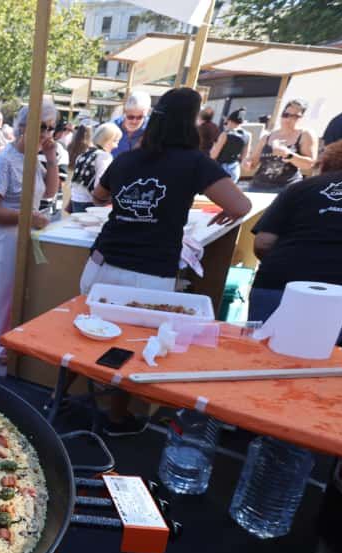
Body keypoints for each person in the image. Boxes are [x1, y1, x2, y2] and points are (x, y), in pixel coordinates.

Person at [80, 87, 251, 434]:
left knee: (93, 337)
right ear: (191, 122)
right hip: (150, 274)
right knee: (132, 349)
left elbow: (99, 196)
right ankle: (114, 417)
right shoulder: (194, 162)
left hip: (101, 264)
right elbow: (241, 206)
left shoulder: (127, 158)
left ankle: (92, 400)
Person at [249, 138, 342, 335]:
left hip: (281, 281)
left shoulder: (300, 188)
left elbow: (264, 242)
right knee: (334, 362)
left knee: (261, 353)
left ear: (324, 164)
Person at [0, 100, 60, 363]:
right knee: (1, 293)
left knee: (17, 292)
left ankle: (9, 341)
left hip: (23, 234)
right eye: (43, 127)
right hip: (4, 236)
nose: (48, 133)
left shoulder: (32, 158)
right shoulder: (6, 160)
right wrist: (27, 217)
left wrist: (50, 158)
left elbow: (49, 192)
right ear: (24, 127)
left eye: (52, 128)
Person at [245, 98, 317, 193]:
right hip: (258, 186)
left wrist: (289, 155)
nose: (288, 119)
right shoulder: (267, 136)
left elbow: (309, 164)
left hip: (286, 189)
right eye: (285, 115)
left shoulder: (305, 134)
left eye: (295, 116)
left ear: (302, 118)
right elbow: (253, 162)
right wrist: (247, 163)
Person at [68, 122, 122, 213]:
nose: (116, 146)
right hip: (90, 203)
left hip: (76, 200)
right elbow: (100, 183)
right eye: (115, 141)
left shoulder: (84, 154)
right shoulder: (105, 157)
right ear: (108, 140)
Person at [210, 108, 250, 182]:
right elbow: (244, 157)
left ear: (229, 121)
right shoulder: (247, 135)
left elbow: (213, 155)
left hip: (221, 168)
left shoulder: (225, 134)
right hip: (235, 168)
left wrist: (214, 145)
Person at [111, 90, 151, 158]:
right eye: (130, 117)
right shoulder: (111, 127)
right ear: (125, 112)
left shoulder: (152, 128)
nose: (134, 121)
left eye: (140, 117)